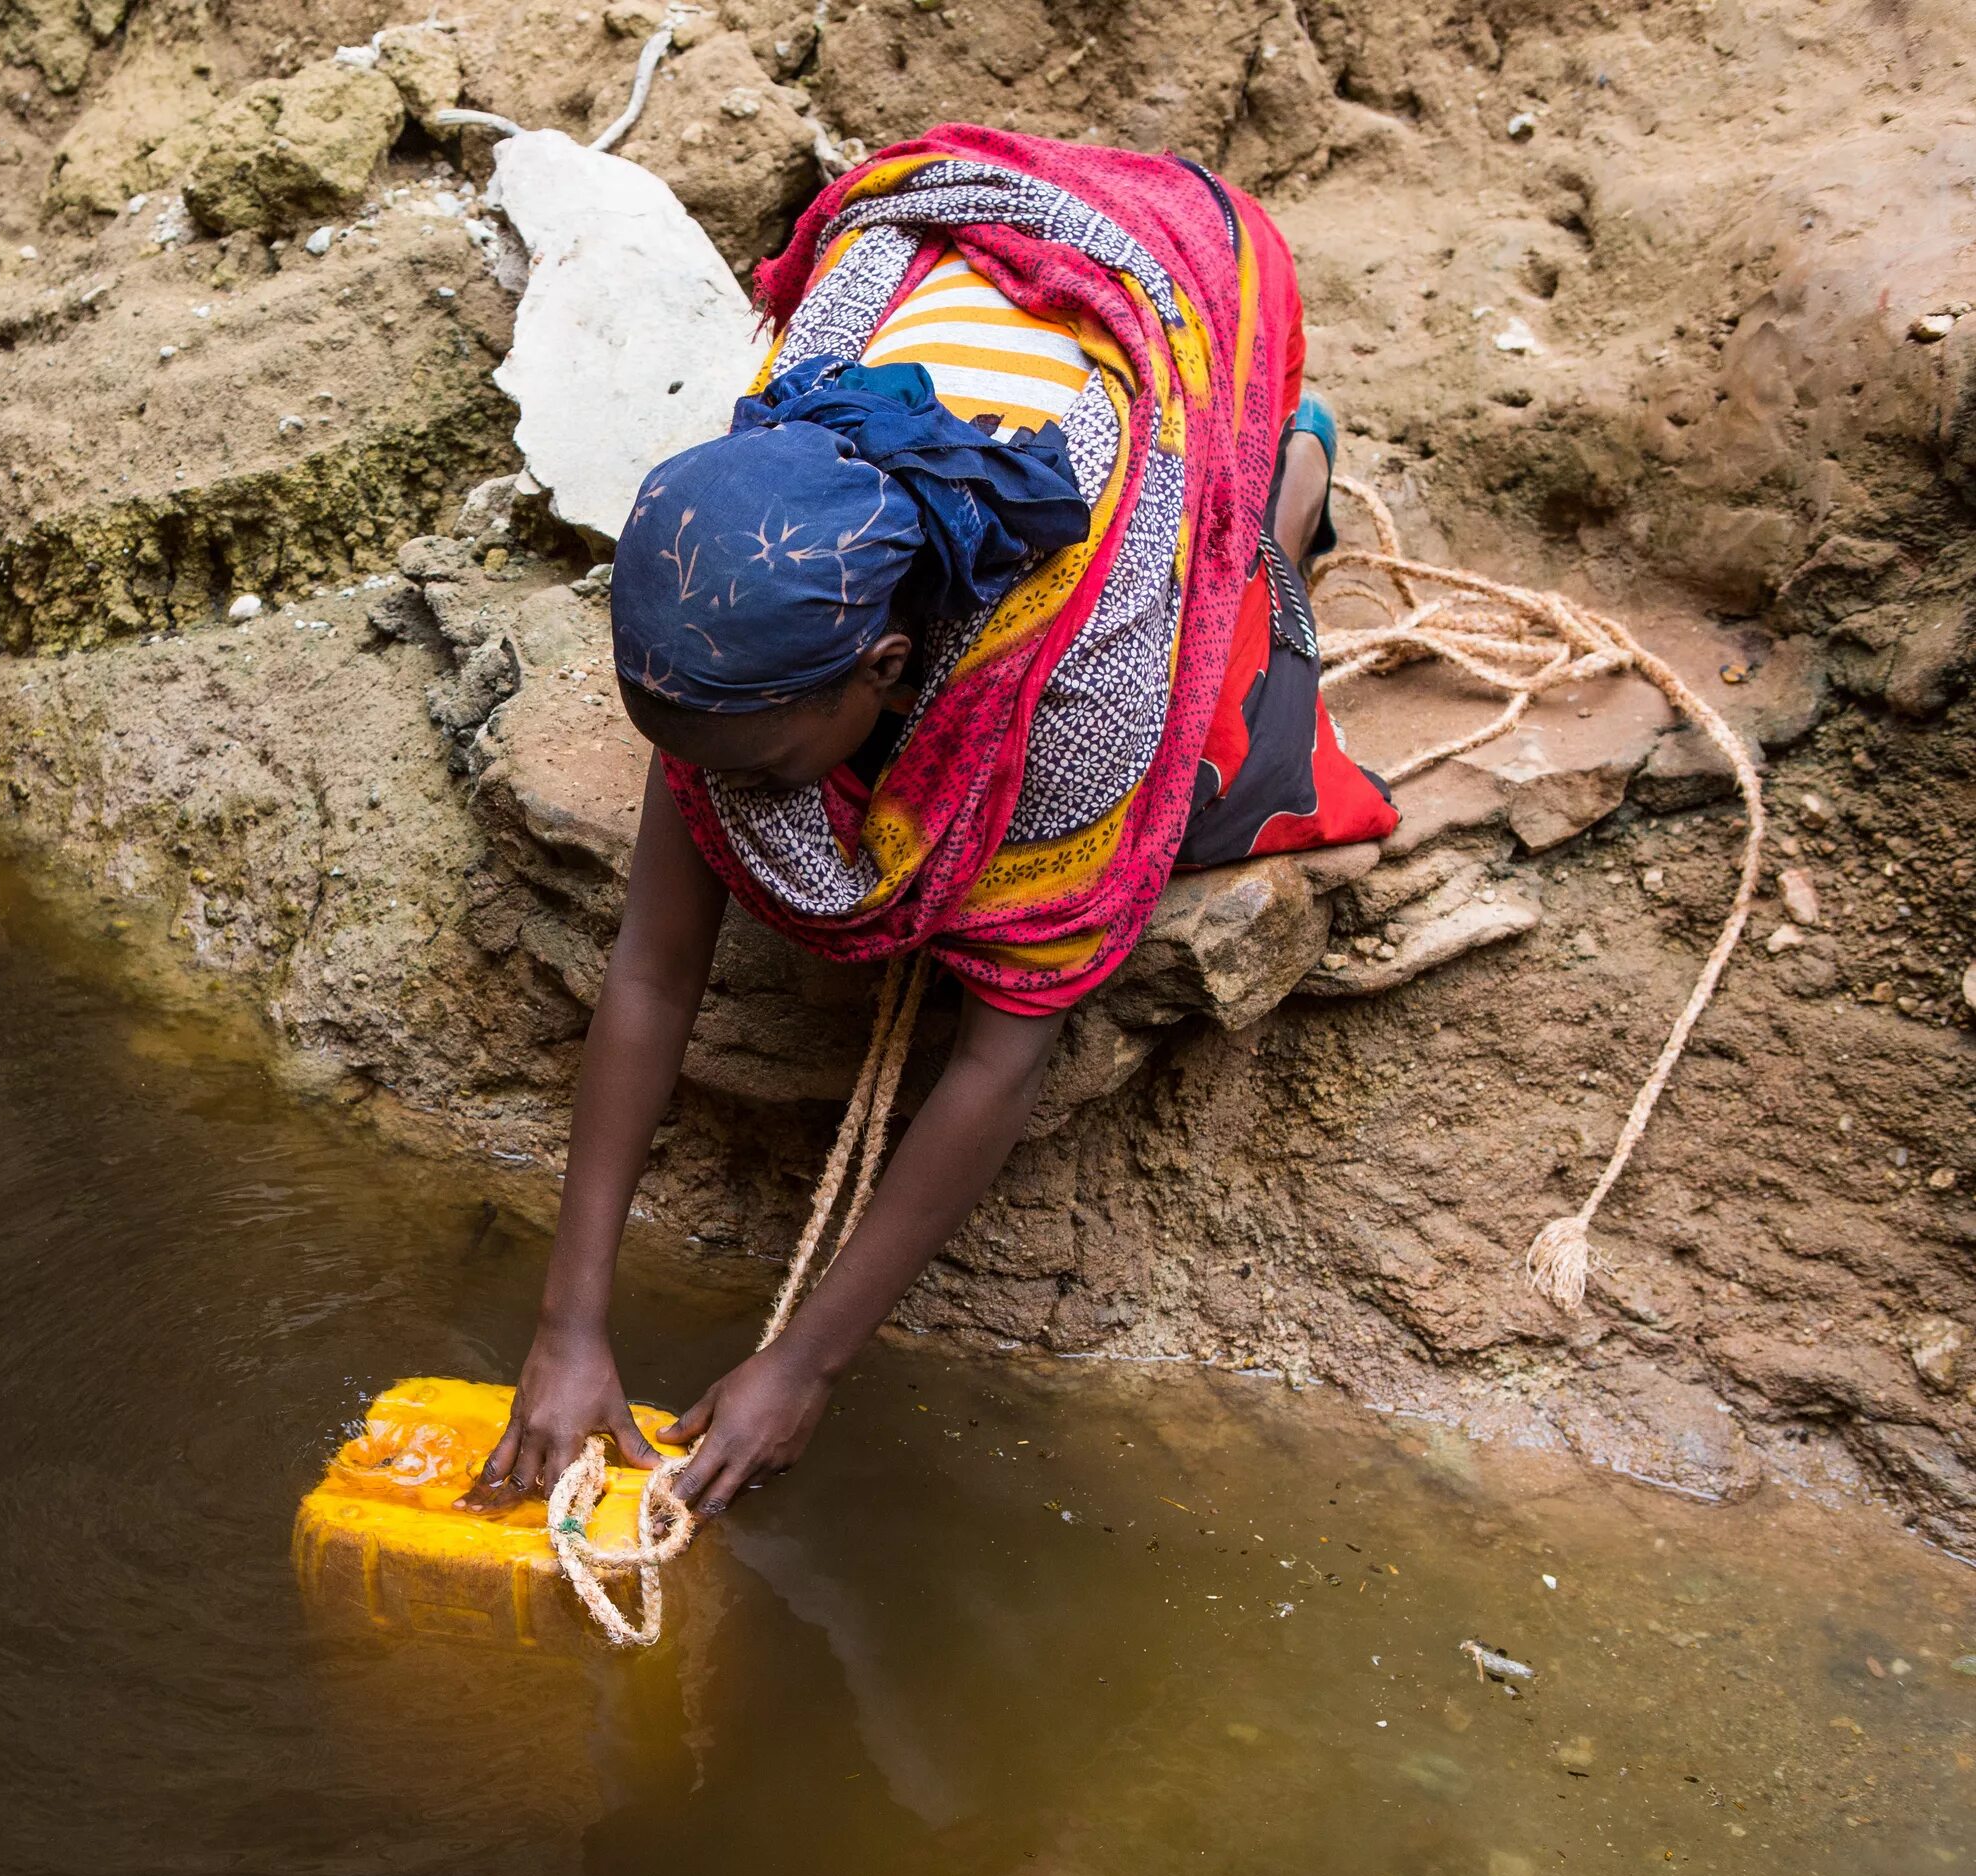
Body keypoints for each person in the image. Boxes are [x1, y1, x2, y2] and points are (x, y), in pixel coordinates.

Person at [465, 127, 1394, 1520]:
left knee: (1230, 693)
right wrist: (566, 1329)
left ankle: (1295, 463)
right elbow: (654, 971)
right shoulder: (751, 557)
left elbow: (999, 1056)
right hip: (967, 265)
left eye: (763, 763)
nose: (728, 792)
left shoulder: (1083, 681)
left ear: (888, 669)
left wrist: (808, 1365)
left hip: (1173, 279)